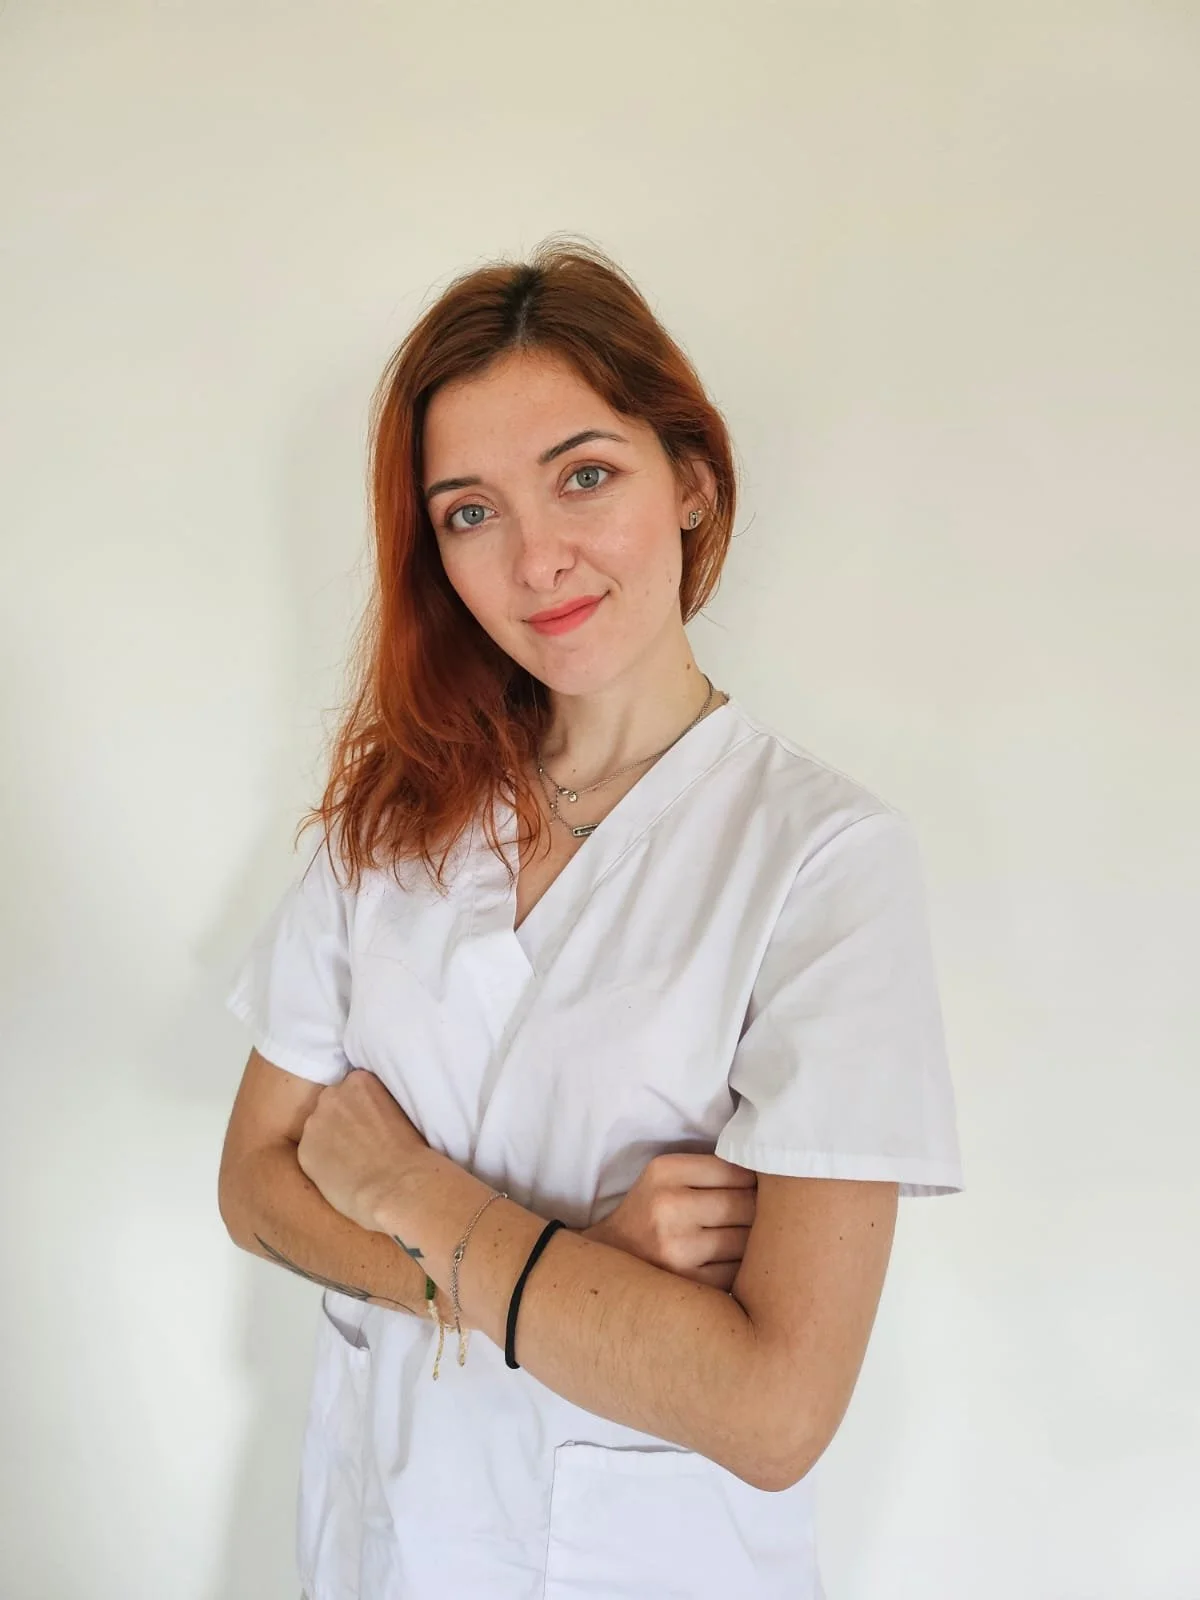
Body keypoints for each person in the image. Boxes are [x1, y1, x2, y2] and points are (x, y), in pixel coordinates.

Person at [218, 236, 964, 1600]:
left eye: (584, 475)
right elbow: (254, 1185)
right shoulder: (393, 822)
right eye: (470, 512)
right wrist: (576, 1267)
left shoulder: (823, 863)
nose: (537, 558)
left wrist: (412, 1194)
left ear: (691, 479)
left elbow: (773, 1410)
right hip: (379, 1552)